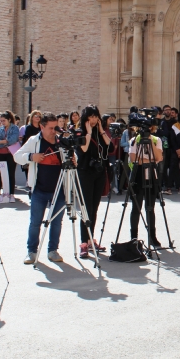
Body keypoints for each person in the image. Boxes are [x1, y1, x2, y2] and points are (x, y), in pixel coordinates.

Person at [14, 112, 67, 264]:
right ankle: (31, 252)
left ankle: (53, 250)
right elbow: (17, 156)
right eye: (50, 128)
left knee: (56, 222)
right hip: (39, 189)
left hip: (59, 190)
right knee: (35, 222)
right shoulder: (34, 140)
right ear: (42, 127)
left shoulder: (60, 140)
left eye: (55, 127)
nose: (53, 131)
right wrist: (31, 157)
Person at [74, 105, 112, 258]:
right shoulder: (79, 132)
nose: (94, 119)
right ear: (86, 118)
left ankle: (90, 240)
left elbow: (110, 146)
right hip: (85, 173)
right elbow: (83, 149)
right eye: (91, 117)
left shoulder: (99, 131)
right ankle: (84, 242)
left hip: (99, 172)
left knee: (94, 208)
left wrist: (102, 131)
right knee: (86, 209)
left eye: (96, 116)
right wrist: (88, 133)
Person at [129, 126, 164, 246]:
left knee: (150, 207)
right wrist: (149, 160)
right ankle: (134, 237)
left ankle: (152, 236)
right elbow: (133, 159)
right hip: (138, 174)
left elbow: (159, 157)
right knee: (136, 207)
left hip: (151, 173)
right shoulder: (135, 140)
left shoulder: (156, 139)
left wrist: (149, 140)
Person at [0, 111, 19, 202]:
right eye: (1, 121)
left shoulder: (15, 128)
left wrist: (1, 142)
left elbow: (13, 140)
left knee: (10, 173)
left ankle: (11, 194)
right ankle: (5, 192)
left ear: (9, 120)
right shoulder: (0, 129)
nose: (2, 122)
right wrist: (3, 142)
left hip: (10, 154)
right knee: (2, 174)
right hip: (0, 154)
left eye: (4, 120)